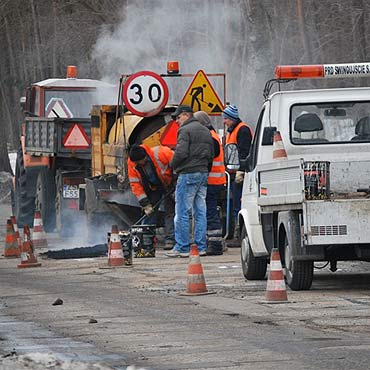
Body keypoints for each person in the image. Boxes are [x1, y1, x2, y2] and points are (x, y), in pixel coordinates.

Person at [165, 106, 214, 258]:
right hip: (203, 174)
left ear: (186, 115)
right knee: (200, 212)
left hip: (188, 174)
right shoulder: (206, 130)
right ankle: (201, 247)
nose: (177, 121)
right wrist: (205, 170)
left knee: (182, 212)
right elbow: (211, 154)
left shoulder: (185, 130)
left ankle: (182, 247)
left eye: (178, 118)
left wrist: (171, 165)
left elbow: (181, 152)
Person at [128, 143, 175, 250]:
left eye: (140, 161)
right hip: (154, 188)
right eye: (137, 162)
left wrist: (176, 184)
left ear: (145, 157)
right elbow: (135, 185)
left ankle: (170, 240)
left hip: (169, 184)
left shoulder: (161, 153)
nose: (139, 164)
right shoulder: (132, 164)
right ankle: (146, 239)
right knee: (150, 212)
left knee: (170, 212)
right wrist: (146, 204)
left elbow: (178, 163)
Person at [194, 111, 226, 256]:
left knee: (210, 212)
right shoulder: (212, 136)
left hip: (212, 182)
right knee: (209, 211)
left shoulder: (210, 139)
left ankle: (215, 244)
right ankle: (214, 242)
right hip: (215, 181)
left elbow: (208, 159)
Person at [223, 104, 253, 245]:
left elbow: (244, 151)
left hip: (241, 174)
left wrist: (240, 171)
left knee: (239, 206)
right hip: (234, 173)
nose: (224, 121)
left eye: (226, 119)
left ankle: (239, 235)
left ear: (232, 118)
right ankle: (237, 234)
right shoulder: (233, 130)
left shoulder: (242, 130)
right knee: (235, 204)